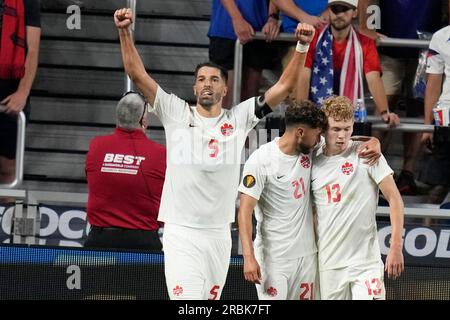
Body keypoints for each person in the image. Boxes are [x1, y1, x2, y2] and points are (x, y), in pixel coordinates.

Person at [115, 6, 316, 299]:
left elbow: (284, 87)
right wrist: (124, 31)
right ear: (195, 88)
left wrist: (302, 45)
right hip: (181, 232)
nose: (206, 84)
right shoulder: (174, 111)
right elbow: (136, 72)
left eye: (214, 80)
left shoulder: (240, 118)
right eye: (201, 80)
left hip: (220, 234)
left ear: (225, 89)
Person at [311, 96, 404, 300]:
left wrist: (396, 245)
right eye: (336, 129)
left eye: (347, 128)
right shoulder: (311, 161)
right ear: (323, 128)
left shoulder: (368, 154)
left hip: (366, 263)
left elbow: (395, 199)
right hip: (329, 263)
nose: (343, 135)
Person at [238, 100, 326, 300]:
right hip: (273, 259)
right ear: (301, 132)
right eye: (317, 134)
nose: (319, 139)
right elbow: (244, 212)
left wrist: (373, 142)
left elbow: (344, 138)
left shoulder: (312, 151)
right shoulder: (261, 160)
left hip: (307, 257)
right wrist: (249, 257)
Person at [359, 0, 447, 195]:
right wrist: (365, 26)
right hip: (389, 45)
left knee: (418, 108)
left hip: (425, 47)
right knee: (384, 110)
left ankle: (408, 174)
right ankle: (373, 172)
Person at [296, 0, 400, 129]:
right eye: (335, 9)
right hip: (317, 108)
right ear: (329, 11)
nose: (339, 14)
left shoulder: (365, 43)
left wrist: (384, 112)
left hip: (348, 112)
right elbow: (304, 76)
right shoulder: (313, 38)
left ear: (355, 12)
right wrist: (301, 113)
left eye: (344, 9)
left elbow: (373, 79)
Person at [84, 92, 166, 251]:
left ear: (117, 118)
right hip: (143, 245)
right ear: (143, 120)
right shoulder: (161, 154)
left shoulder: (96, 146)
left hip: (99, 242)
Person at [207, 0, 281, 108]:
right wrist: (237, 18)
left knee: (249, 101)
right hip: (226, 29)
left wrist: (272, 18)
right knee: (226, 99)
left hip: (259, 31)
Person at [0, 0, 40, 196]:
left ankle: (4, 224)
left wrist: (22, 93)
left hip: (9, 93)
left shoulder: (28, 1)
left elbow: (32, 51)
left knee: (8, 169)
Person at [421, 25, 450, 204]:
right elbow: (432, 84)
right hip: (447, 119)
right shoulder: (441, 36)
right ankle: (428, 229)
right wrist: (427, 126)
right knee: (437, 189)